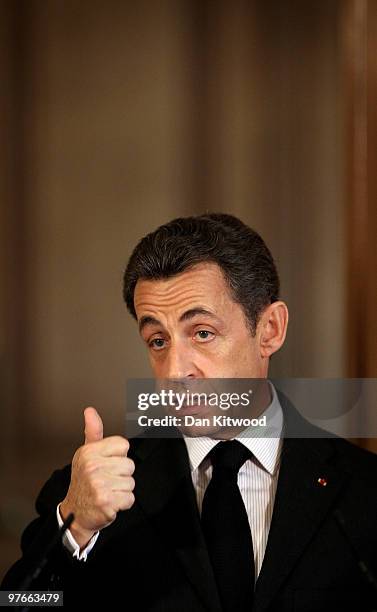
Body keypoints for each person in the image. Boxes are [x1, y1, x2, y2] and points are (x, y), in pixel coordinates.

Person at [2, 213, 377, 611]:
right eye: (158, 340)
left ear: (270, 330)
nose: (176, 370)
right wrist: (73, 528)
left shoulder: (364, 492)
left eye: (202, 333)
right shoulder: (93, 493)